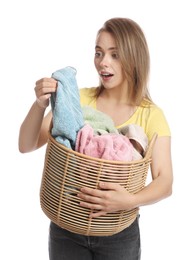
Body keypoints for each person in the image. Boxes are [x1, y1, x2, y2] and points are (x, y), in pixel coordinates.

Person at [18, 17, 173, 260]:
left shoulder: (151, 115)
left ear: (134, 57)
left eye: (115, 54)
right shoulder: (78, 100)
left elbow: (165, 182)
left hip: (119, 234)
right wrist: (39, 105)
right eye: (98, 53)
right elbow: (26, 145)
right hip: (66, 226)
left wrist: (129, 200)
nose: (103, 62)